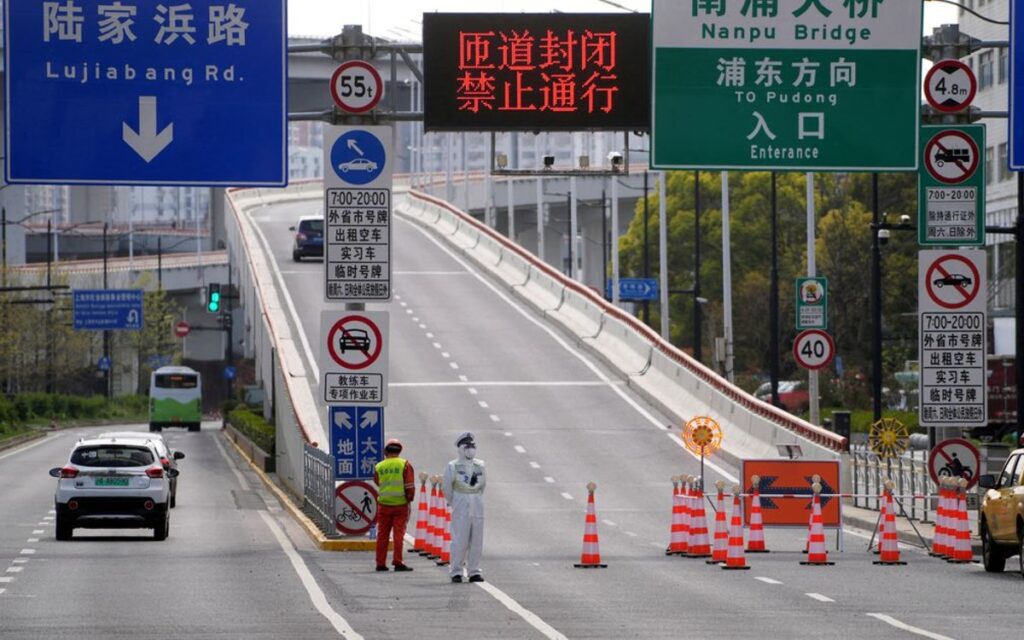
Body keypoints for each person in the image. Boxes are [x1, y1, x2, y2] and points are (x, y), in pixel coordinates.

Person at [442, 431, 486, 583]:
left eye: (472, 446)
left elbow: (483, 485)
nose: (470, 449)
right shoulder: (453, 466)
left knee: (477, 539)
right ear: (460, 448)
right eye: (467, 446)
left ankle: (474, 571)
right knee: (459, 539)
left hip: (477, 503)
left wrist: (476, 498)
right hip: (461, 503)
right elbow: (447, 487)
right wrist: (455, 502)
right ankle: (456, 571)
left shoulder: (480, 465)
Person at [373, 438, 416, 572]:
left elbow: (378, 481)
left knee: (382, 535)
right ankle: (398, 562)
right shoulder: (405, 464)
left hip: (384, 505)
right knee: (398, 534)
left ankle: (380, 563)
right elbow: (409, 485)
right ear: (399, 451)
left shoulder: (379, 466)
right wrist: (409, 498)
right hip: (401, 505)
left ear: (386, 452)